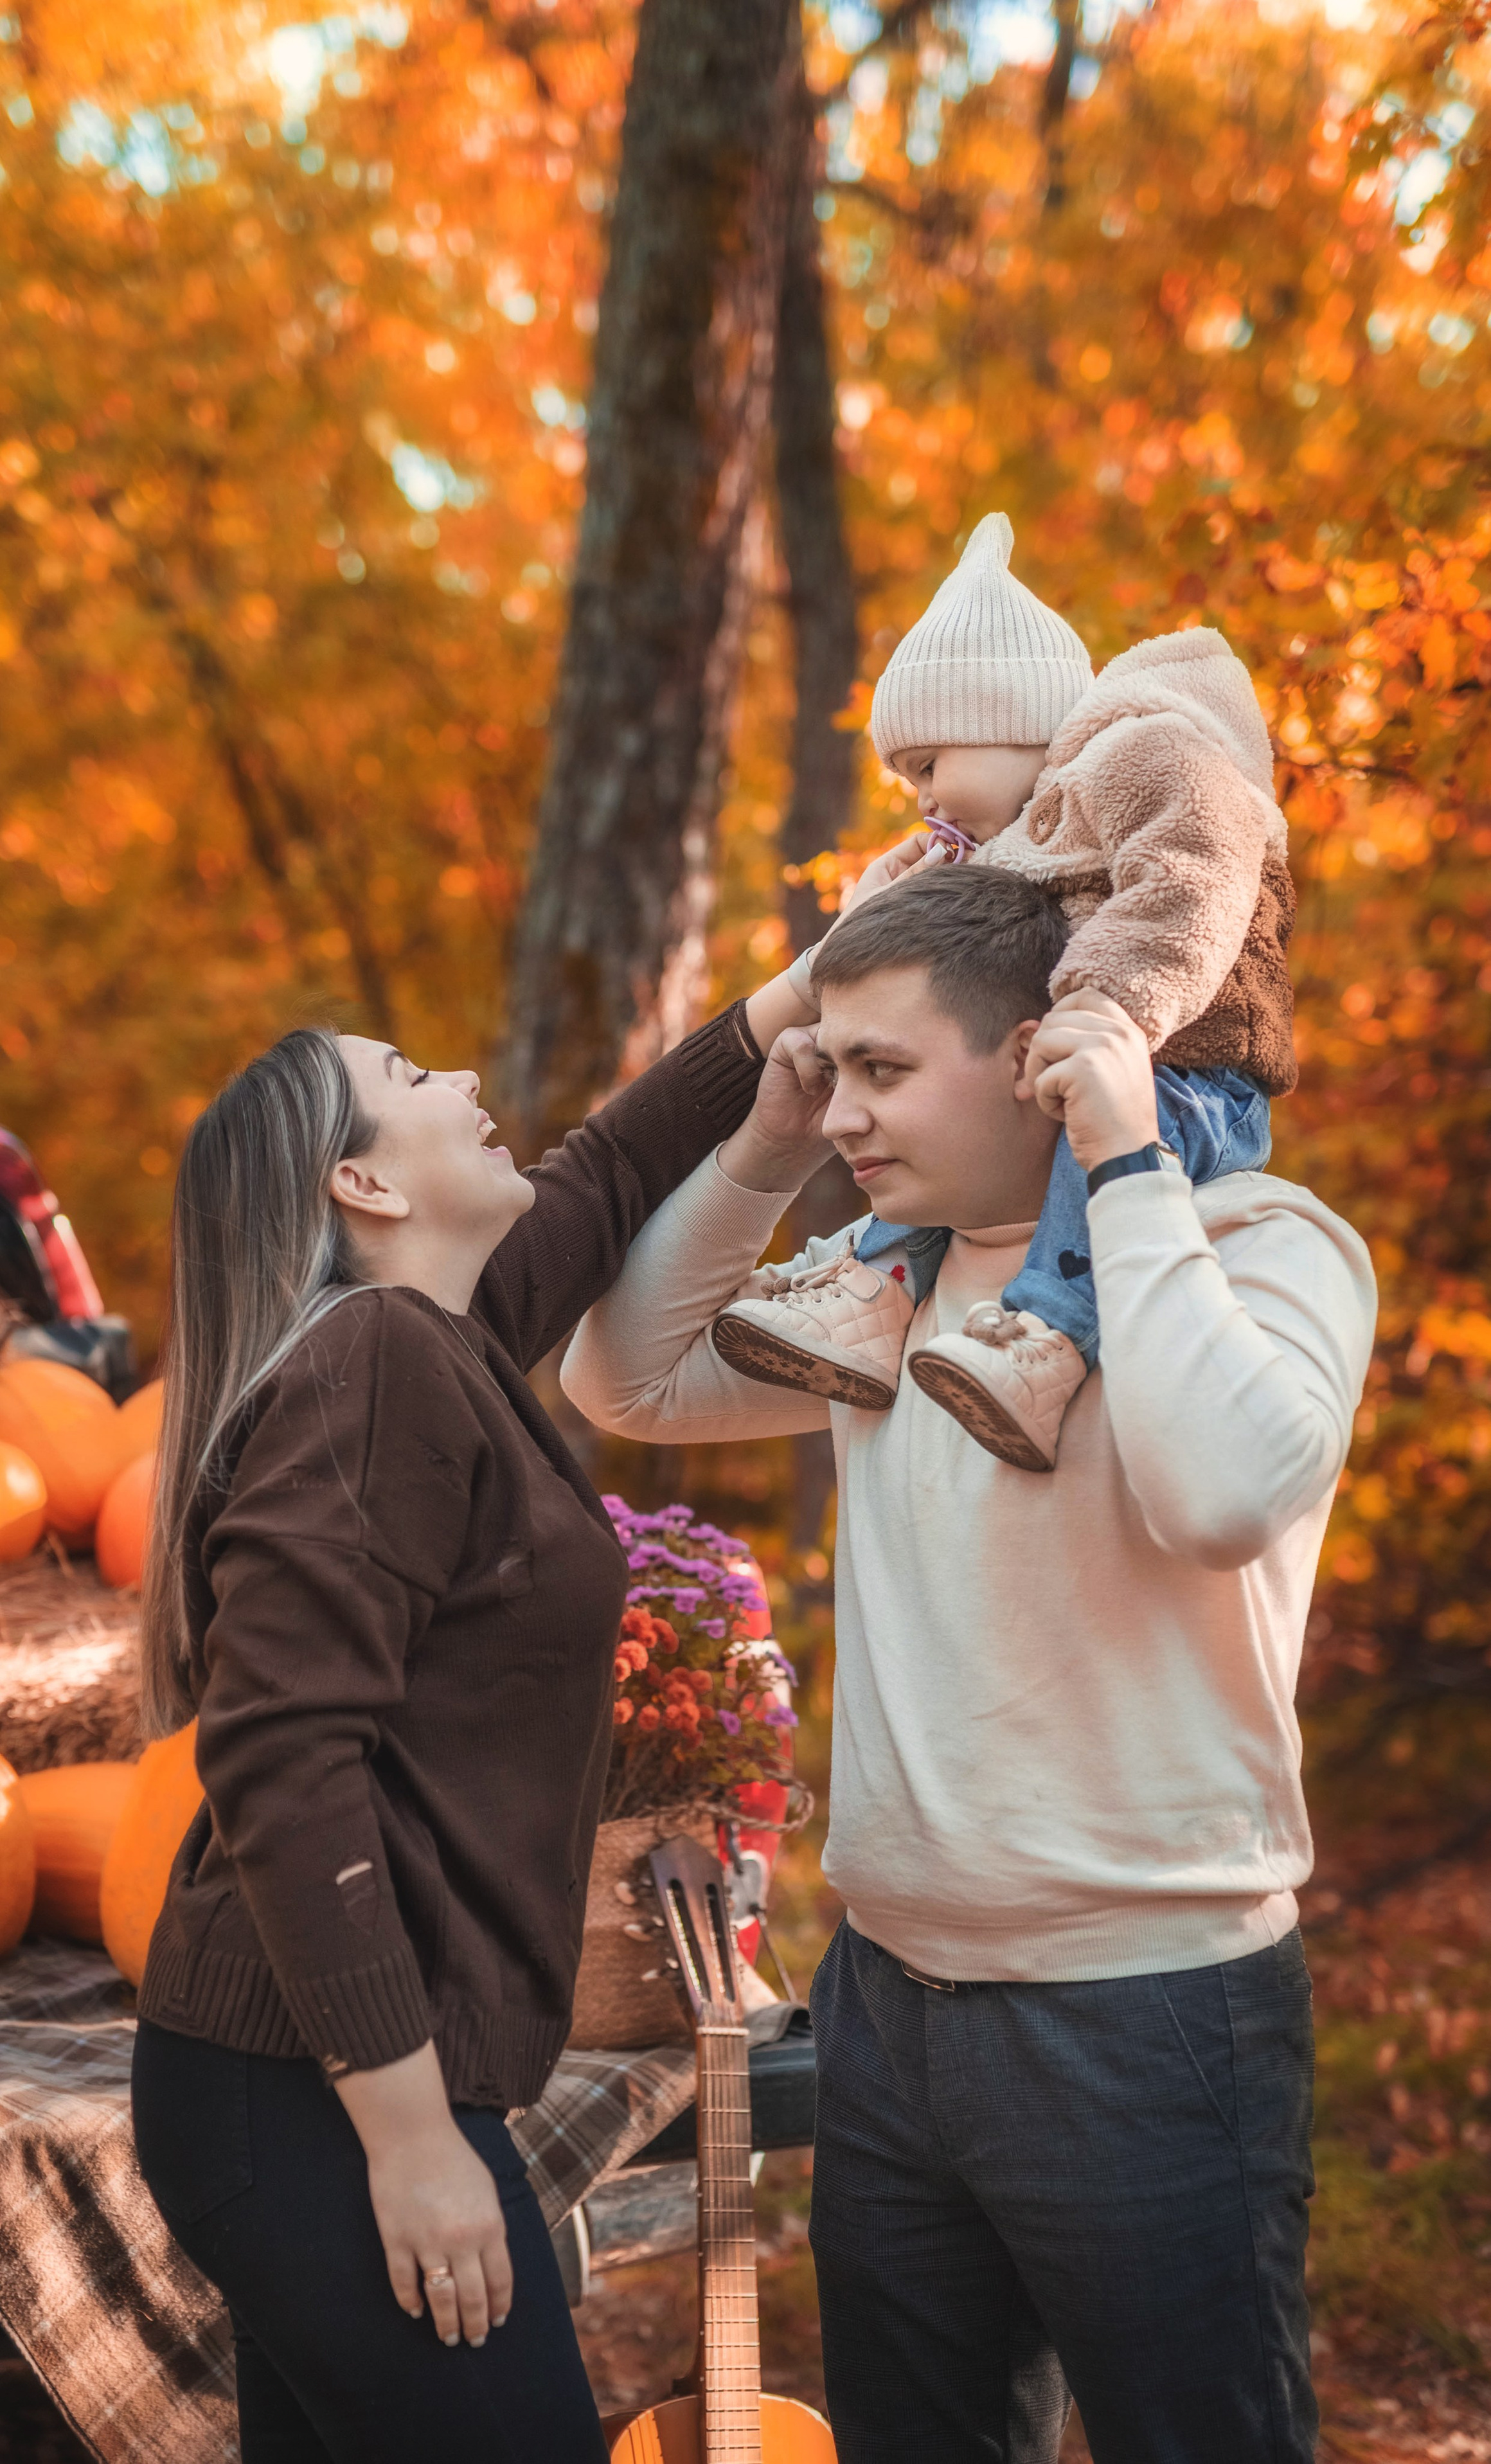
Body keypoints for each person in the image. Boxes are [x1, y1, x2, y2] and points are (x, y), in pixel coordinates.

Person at [562, 862, 1377, 2464]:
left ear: (1033, 1057)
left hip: (1139, 2019)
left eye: (879, 1069)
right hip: (891, 2012)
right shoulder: (883, 1285)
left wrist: (1125, 1157)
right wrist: (765, 1141)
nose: (845, 1107)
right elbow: (625, 1376)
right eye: (832, 1067)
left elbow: (1222, 1496)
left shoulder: (1256, 1242)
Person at [127, 956, 819, 2464]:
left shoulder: (430, 1343)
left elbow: (611, 1167)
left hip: (281, 2085)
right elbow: (281, 1752)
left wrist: (794, 1000)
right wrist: (407, 2136)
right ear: (363, 1181)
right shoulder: (373, 1364)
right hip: (313, 2098)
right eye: (410, 1077)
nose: (458, 1083)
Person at [713, 510, 1297, 1470]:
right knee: (943, 1102)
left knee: (1080, 1136)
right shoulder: (1030, 838)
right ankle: (876, 1292)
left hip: (1197, 1071)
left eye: (928, 765)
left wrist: (1109, 1004)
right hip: (1101, 1059)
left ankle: (1047, 1337)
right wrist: (875, 910)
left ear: (1003, 721)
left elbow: (1195, 875)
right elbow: (937, 984)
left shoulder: (1148, 750)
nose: (923, 799)